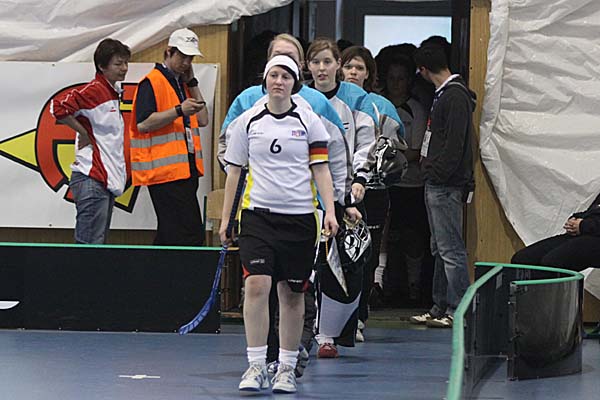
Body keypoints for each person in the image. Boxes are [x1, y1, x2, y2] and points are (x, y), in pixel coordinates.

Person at [218, 33, 358, 377]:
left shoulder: (313, 112)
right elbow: (232, 163)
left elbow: (328, 162)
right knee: (257, 285)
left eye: (288, 69)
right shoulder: (247, 111)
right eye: (274, 70)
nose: (279, 79)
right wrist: (227, 219)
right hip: (258, 214)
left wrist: (336, 206)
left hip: (300, 216)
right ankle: (258, 362)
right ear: (265, 72)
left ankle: (290, 359)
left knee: (292, 293)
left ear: (297, 74)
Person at [306, 38, 378, 357]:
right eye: (315, 62)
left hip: (344, 197)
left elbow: (366, 144)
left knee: (343, 267)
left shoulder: (356, 99)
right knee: (306, 268)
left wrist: (359, 180)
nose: (322, 68)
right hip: (303, 197)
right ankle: (303, 331)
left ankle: (330, 335)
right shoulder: (299, 99)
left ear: (338, 64)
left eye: (327, 61)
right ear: (307, 66)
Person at [340, 45, 406, 342]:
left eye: (360, 68)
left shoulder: (382, 106)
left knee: (366, 255)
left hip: (374, 191)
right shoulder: (326, 100)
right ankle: (327, 320)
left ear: (369, 74)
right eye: (349, 66)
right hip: (336, 190)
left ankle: (359, 316)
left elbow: (398, 149)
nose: (353, 72)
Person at [410, 45, 475, 328]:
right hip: (436, 182)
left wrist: (437, 173)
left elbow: (455, 144)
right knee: (439, 248)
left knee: (451, 249)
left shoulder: (455, 96)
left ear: (423, 70)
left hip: (445, 184)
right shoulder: (445, 95)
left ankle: (459, 309)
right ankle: (439, 306)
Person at [129, 28, 209, 246]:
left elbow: (203, 119)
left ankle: (161, 268)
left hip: (186, 169)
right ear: (168, 52)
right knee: (188, 234)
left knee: (172, 234)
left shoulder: (182, 84)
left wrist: (192, 83)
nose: (186, 62)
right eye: (182, 56)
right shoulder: (152, 82)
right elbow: (143, 124)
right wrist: (178, 110)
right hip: (165, 172)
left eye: (190, 58)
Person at [51, 38, 131, 244]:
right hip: (92, 177)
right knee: (89, 249)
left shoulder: (111, 92)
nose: (124, 68)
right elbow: (57, 107)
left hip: (103, 179)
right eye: (118, 63)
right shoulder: (95, 90)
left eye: (125, 63)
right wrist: (83, 132)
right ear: (102, 66)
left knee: (97, 247)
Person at [377, 54, 431, 306]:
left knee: (412, 237)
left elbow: (416, 150)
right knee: (383, 235)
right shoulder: (378, 105)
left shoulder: (416, 109)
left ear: (409, 81)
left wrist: (391, 159)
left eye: (401, 79)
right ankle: (379, 285)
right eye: (392, 78)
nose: (396, 83)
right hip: (382, 184)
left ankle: (414, 287)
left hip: (411, 183)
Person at [511, 192, 600, 270]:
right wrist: (575, 220)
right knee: (521, 259)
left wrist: (583, 225)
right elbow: (592, 212)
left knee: (552, 263)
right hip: (587, 233)